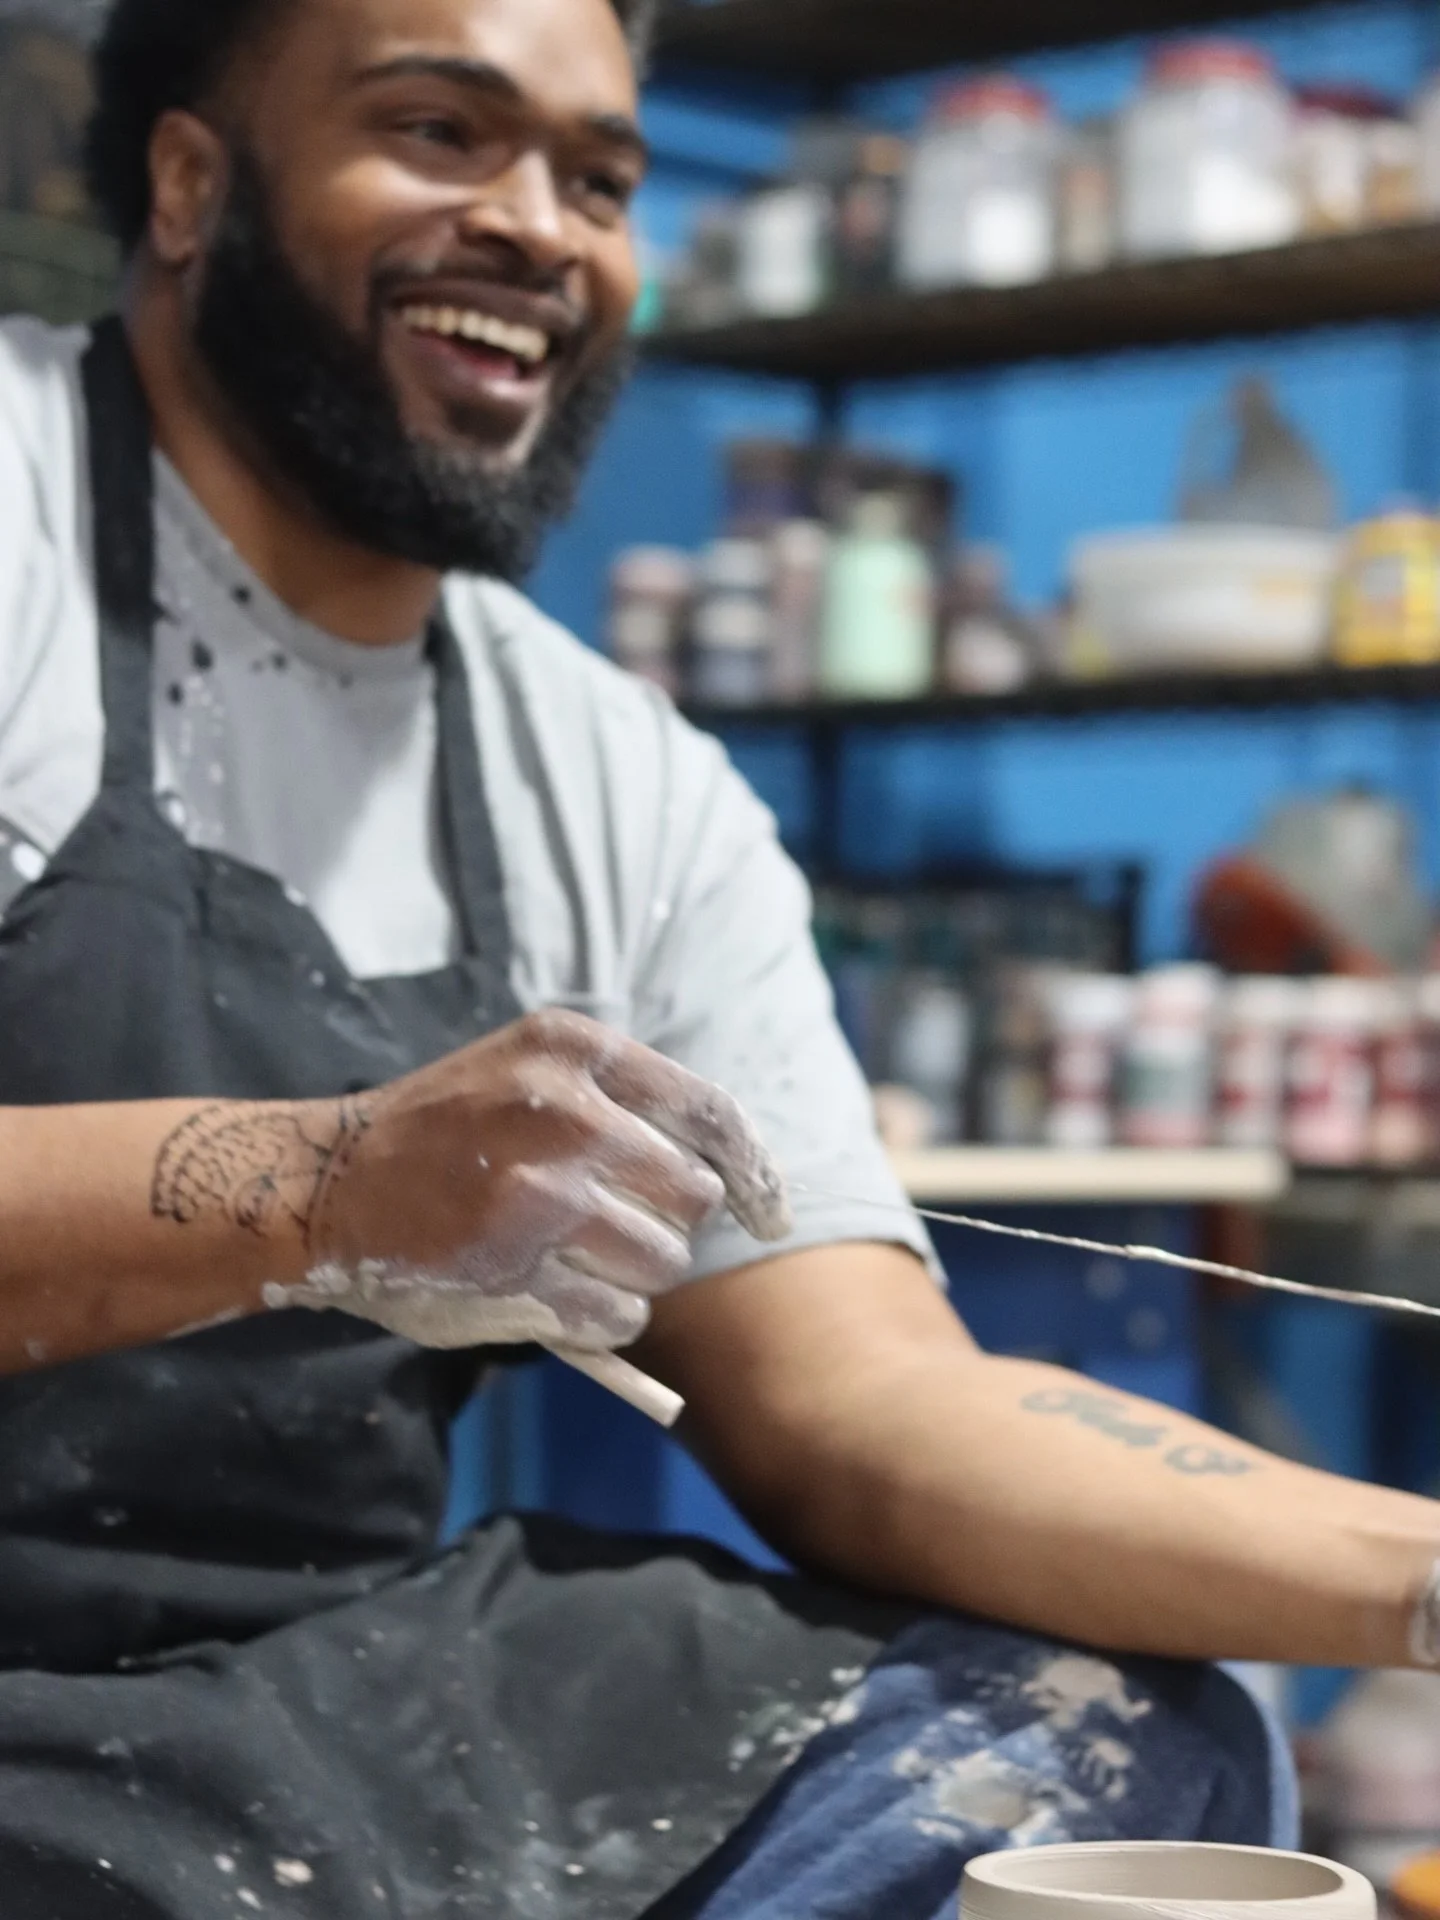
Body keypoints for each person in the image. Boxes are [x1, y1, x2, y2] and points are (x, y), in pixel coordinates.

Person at [0, 0, 1432, 1912]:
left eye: (600, 180)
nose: (541, 227)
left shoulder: (614, 775)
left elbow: (861, 1403)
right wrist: (326, 1182)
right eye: (440, 131)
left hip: (284, 1704)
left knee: (1118, 1737)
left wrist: (1415, 1578)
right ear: (191, 182)